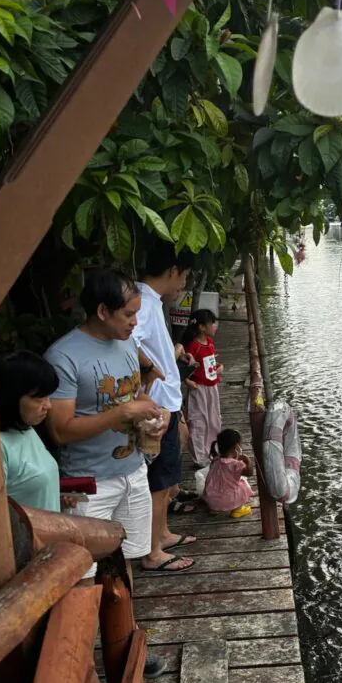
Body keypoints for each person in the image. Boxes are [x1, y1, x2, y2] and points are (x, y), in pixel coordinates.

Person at [44, 268, 168, 676]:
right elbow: (61, 430)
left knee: (124, 564)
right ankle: (77, 664)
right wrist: (124, 411)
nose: (136, 322)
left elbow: (134, 398)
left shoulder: (126, 344)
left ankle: (124, 644)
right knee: (84, 575)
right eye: (129, 314)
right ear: (102, 310)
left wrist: (152, 418)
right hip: (88, 483)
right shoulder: (64, 356)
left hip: (132, 469)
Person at [0, 349, 89, 683]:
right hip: (20, 568)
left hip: (49, 558)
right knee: (34, 665)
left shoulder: (26, 433)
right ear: (13, 397)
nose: (48, 405)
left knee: (55, 656)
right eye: (38, 397)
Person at [133, 242, 197, 573]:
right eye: (184, 275)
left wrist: (169, 355)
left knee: (165, 477)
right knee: (158, 482)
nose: (183, 283)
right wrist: (151, 370)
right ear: (172, 271)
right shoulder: (142, 303)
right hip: (158, 404)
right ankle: (152, 550)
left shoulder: (150, 302)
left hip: (166, 401)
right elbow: (128, 341)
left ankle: (162, 534)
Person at [183, 308, 223, 469]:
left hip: (212, 387)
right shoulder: (193, 347)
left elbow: (210, 364)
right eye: (212, 323)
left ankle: (212, 451)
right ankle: (199, 457)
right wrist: (187, 381)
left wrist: (219, 367)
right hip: (198, 388)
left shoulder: (210, 343)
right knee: (198, 421)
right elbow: (181, 367)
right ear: (201, 327)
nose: (215, 326)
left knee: (214, 419)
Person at [203, 429, 254, 518]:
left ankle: (214, 509)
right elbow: (250, 473)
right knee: (243, 485)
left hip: (211, 500)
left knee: (218, 484)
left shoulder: (215, 460)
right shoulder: (236, 464)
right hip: (228, 500)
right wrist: (248, 460)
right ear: (236, 447)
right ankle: (237, 510)